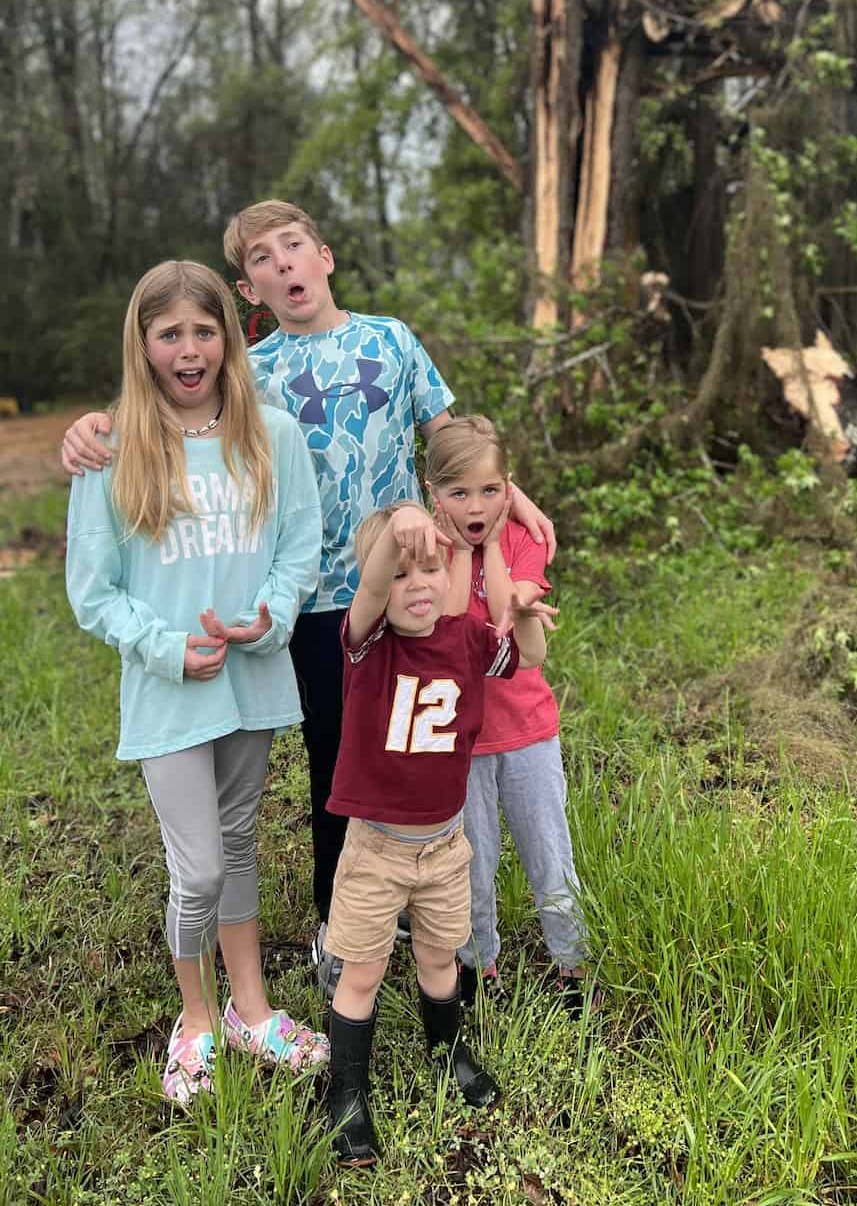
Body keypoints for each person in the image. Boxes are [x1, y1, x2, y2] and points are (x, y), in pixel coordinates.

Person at [59, 200, 556, 991]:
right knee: (341, 764)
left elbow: (452, 441)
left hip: (409, 588)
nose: (283, 264)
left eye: (294, 247)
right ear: (246, 289)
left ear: (325, 256)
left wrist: (511, 495)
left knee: (423, 743)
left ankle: (436, 913)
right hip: (311, 603)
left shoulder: (391, 340)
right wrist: (93, 429)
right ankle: (341, 925)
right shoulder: (250, 372)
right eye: (262, 257)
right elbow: (167, 415)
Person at [65, 261, 328, 1105]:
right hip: (169, 690)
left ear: (230, 338)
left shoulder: (272, 434)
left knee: (242, 842)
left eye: (203, 332)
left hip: (251, 677)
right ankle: (197, 1018)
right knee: (201, 871)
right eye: (170, 333)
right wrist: (168, 647)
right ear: (143, 344)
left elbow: (299, 544)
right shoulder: (112, 449)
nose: (188, 350)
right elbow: (92, 590)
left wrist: (269, 615)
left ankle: (251, 1009)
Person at [324, 501, 557, 1166]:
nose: (418, 585)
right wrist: (397, 534)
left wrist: (529, 620)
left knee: (439, 960)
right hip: (377, 849)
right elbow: (369, 589)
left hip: (446, 847)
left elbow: (528, 656)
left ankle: (449, 1055)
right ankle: (348, 1093)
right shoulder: (368, 647)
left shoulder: (466, 639)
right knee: (364, 972)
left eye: (431, 569)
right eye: (403, 575)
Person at [426, 416, 592, 1015]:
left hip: (526, 732)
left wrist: (494, 548)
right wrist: (467, 551)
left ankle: (572, 964)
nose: (476, 505)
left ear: (509, 489)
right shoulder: (433, 550)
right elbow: (449, 635)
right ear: (433, 494)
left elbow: (504, 636)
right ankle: (477, 965)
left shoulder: (525, 540)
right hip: (461, 741)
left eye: (490, 491)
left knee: (550, 853)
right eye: (459, 493)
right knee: (472, 864)